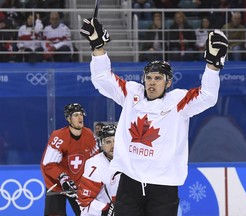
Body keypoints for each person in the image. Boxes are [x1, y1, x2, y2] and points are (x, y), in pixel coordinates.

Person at [80, 18, 228, 216]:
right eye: (149, 77)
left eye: (158, 78)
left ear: (168, 83)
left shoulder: (178, 102)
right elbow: (102, 79)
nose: (151, 82)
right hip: (130, 183)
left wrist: (213, 66)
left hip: (163, 187)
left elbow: (207, 97)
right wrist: (97, 47)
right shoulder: (132, 94)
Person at [41, 103, 99, 216]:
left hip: (79, 185)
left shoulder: (89, 135)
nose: (80, 117)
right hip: (57, 184)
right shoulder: (58, 136)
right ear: (68, 119)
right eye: (76, 115)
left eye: (81, 114)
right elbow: (48, 164)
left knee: (88, 214)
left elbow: (96, 159)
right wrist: (63, 178)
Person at [77, 124, 120, 216]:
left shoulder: (128, 162)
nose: (113, 146)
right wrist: (105, 210)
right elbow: (84, 201)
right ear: (101, 144)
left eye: (116, 141)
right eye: (108, 142)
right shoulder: (95, 164)